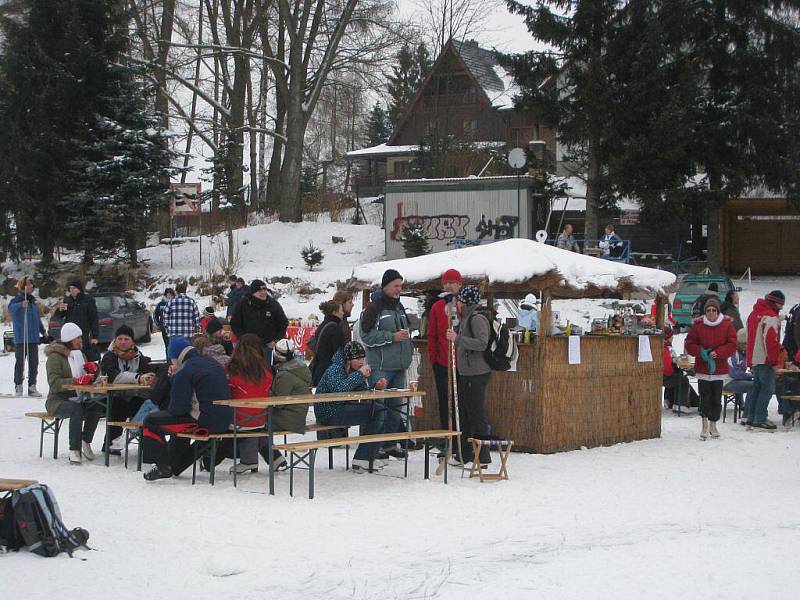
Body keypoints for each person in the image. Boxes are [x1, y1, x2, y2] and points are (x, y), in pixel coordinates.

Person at [141, 337, 233, 481]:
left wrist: (174, 380)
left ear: (174, 357)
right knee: (180, 428)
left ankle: (161, 465)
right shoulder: (211, 362)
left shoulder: (184, 370)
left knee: (150, 420)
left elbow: (177, 409)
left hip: (204, 420)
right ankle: (172, 465)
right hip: (225, 420)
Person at [360, 269, 413, 459]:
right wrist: (391, 337)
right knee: (378, 408)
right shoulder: (374, 308)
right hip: (381, 367)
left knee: (395, 409)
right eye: (396, 285)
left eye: (401, 285)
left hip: (399, 366)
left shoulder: (399, 307)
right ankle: (374, 446)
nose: (399, 289)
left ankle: (390, 444)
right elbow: (366, 336)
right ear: (386, 286)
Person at [314, 341, 387, 473]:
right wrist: (359, 374)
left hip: (340, 410)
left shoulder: (352, 371)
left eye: (363, 358)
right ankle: (363, 458)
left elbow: (361, 391)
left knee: (379, 410)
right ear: (348, 359)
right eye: (358, 359)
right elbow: (339, 390)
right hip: (329, 412)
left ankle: (368, 456)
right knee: (377, 412)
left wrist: (375, 386)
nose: (361, 362)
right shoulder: (335, 369)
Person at [446, 285, 493, 466]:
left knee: (476, 414)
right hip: (466, 372)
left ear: (465, 302)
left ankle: (483, 456)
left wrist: (457, 339)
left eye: (459, 301)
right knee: (465, 414)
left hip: (477, 373)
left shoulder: (477, 318)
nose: (457, 304)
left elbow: (482, 343)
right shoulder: (465, 318)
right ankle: (464, 454)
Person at [45, 323, 103, 464]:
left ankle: (85, 440)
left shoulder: (80, 355)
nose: (81, 341)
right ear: (70, 339)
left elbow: (88, 379)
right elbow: (54, 383)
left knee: (97, 407)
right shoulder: (55, 357)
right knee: (76, 410)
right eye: (78, 338)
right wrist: (76, 381)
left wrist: (94, 371)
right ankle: (74, 449)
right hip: (58, 401)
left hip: (80, 397)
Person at [685, 297, 738, 440]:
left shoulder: (727, 325)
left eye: (714, 310)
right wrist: (700, 351)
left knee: (716, 397)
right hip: (703, 368)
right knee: (704, 396)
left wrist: (719, 353)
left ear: (718, 311)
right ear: (705, 312)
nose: (711, 313)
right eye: (708, 310)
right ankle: (704, 424)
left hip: (719, 368)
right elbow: (689, 343)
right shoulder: (698, 325)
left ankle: (713, 424)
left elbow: (732, 344)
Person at [225, 333, 277, 474]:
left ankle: (248, 461)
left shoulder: (232, 370)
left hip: (237, 419)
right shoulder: (265, 371)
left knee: (239, 424)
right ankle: (274, 457)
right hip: (261, 418)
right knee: (254, 427)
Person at [100, 325, 156, 453]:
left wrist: (149, 376)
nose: (123, 342)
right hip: (110, 396)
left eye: (126, 339)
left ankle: (147, 445)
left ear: (132, 341)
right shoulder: (109, 356)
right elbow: (113, 376)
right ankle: (110, 445)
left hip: (133, 395)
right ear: (115, 340)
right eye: (120, 339)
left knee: (148, 407)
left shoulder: (138, 355)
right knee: (119, 407)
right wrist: (138, 378)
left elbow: (147, 371)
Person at [427, 269, 462, 433]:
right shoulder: (437, 306)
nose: (448, 286)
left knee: (461, 402)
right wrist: (434, 360)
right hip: (442, 363)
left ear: (459, 285)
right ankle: (446, 438)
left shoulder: (464, 305)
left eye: (451, 282)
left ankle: (460, 438)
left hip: (462, 364)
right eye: (446, 283)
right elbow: (431, 335)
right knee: (444, 402)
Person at [744, 290, 785, 430]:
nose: (781, 308)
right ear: (775, 303)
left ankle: (751, 416)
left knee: (757, 388)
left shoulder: (754, 314)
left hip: (754, 358)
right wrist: (774, 361)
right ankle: (760, 418)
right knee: (767, 389)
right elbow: (771, 341)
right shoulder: (770, 317)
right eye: (780, 305)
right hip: (765, 359)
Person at [230, 279, 288, 362]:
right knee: (250, 371)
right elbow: (235, 324)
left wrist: (276, 340)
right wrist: (243, 339)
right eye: (260, 290)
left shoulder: (273, 304)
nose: (263, 292)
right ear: (253, 292)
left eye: (265, 290)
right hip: (249, 347)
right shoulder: (243, 304)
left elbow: (283, 323)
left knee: (266, 371)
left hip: (268, 346)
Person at [9, 277, 46, 397]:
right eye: (28, 285)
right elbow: (11, 309)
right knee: (20, 362)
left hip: (33, 338)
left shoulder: (33, 303)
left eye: (31, 285)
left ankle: (32, 386)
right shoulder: (16, 300)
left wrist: (43, 332)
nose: (30, 287)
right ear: (22, 287)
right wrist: (20, 305)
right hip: (21, 338)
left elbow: (37, 319)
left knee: (34, 363)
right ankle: (18, 385)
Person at [54, 279, 99, 361]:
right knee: (70, 357)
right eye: (70, 288)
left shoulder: (88, 300)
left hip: (82, 334)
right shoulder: (67, 300)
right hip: (69, 335)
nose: (72, 290)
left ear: (79, 289)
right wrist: (60, 310)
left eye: (74, 288)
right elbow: (58, 316)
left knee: (82, 357)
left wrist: (95, 336)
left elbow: (94, 318)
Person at [661, 326, 700, 410]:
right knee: (682, 380)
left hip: (661, 375)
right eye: (672, 337)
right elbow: (667, 368)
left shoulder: (664, 346)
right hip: (663, 377)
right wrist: (673, 370)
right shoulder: (665, 348)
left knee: (679, 375)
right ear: (668, 337)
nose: (673, 338)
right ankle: (680, 405)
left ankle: (670, 400)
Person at [310, 300, 347, 386]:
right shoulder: (334, 328)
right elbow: (339, 353)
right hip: (329, 372)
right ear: (334, 312)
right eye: (341, 310)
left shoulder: (324, 325)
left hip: (319, 370)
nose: (343, 313)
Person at [725, 328, 753, 414]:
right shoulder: (732, 353)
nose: (748, 346)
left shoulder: (743, 352)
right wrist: (751, 376)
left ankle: (744, 405)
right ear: (740, 343)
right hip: (727, 382)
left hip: (735, 380)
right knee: (754, 386)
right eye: (746, 343)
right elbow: (735, 374)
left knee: (757, 383)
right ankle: (748, 414)